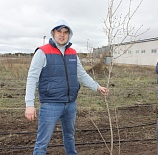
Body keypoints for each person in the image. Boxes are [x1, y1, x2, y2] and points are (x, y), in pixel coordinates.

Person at [24, 19, 109, 155]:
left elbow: (81, 75)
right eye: (59, 31)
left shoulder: (72, 53)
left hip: (70, 104)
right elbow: (32, 78)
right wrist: (29, 104)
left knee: (70, 137)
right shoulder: (42, 52)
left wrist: (97, 87)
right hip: (50, 104)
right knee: (42, 143)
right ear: (53, 33)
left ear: (69, 35)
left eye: (65, 32)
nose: (62, 35)